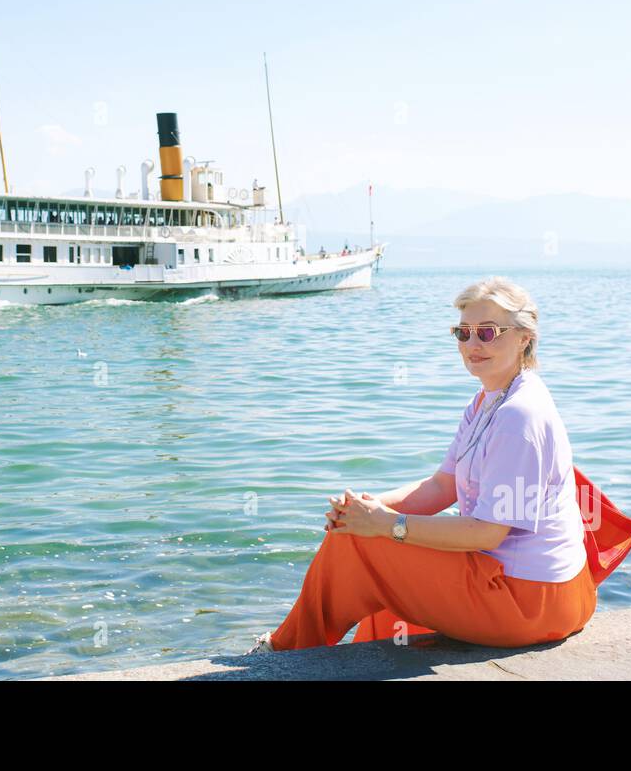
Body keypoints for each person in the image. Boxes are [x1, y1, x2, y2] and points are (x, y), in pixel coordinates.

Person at [245, 275, 596, 654]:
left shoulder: (519, 416)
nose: (472, 345)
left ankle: (285, 653)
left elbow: (487, 534)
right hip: (536, 590)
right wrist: (367, 509)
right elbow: (442, 486)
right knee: (356, 532)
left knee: (358, 545)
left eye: (487, 332)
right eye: (463, 333)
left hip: (532, 602)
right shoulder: (489, 400)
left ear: (524, 337)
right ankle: (328, 650)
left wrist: (387, 524)